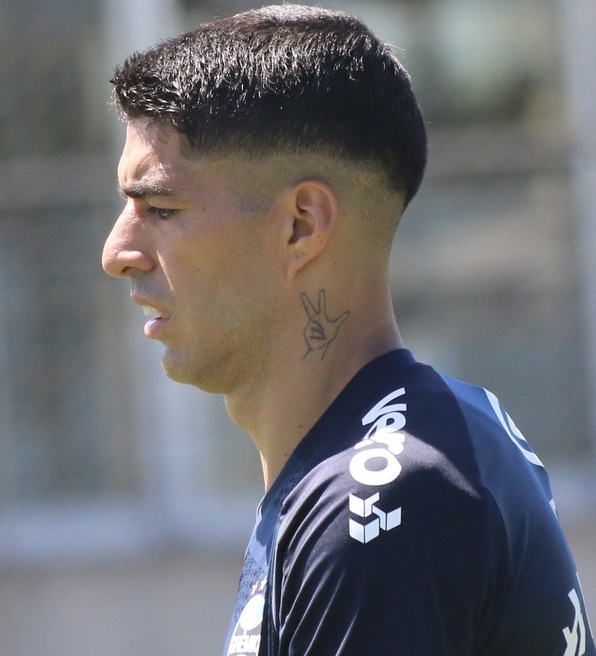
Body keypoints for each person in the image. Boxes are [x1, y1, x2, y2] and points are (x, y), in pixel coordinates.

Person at [101, 5, 594, 656]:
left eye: (160, 208)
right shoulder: (429, 437)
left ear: (301, 225)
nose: (117, 253)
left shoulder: (381, 504)